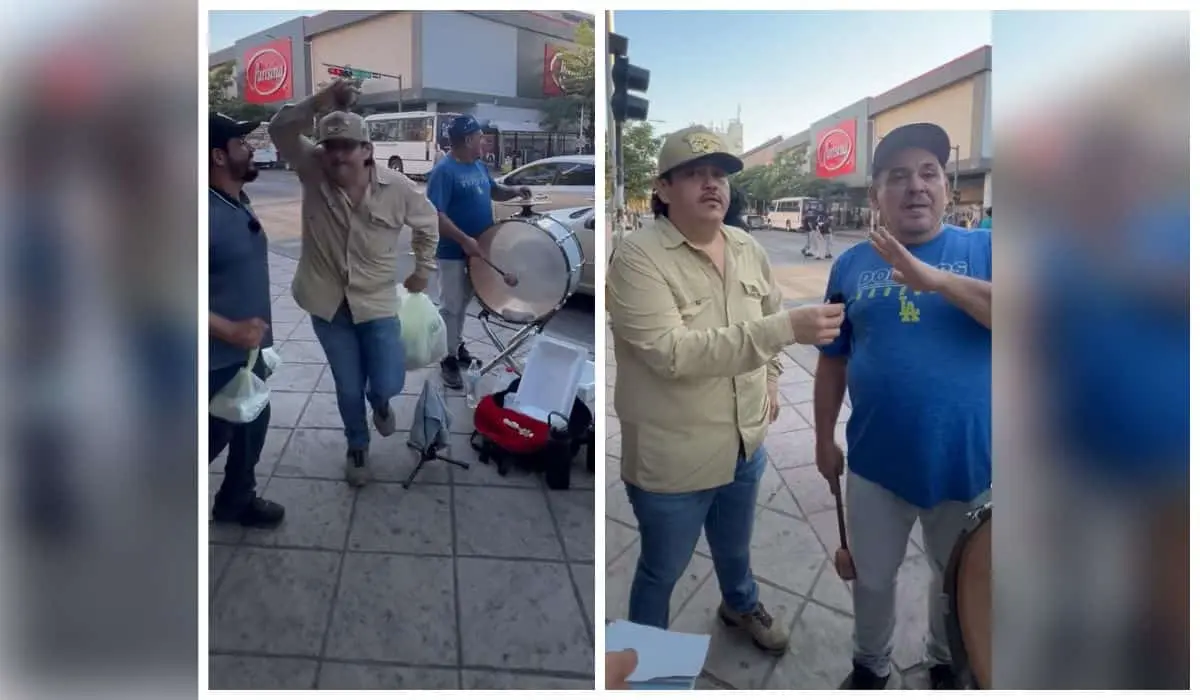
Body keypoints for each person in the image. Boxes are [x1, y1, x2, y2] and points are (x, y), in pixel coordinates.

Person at [609, 125, 846, 653]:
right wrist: (787, 328)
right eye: (695, 174)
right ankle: (649, 673)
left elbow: (764, 315)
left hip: (745, 441)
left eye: (719, 175)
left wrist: (773, 379)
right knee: (661, 570)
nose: (712, 184)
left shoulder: (745, 246)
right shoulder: (636, 258)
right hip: (675, 456)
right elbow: (672, 353)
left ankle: (739, 603)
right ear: (664, 189)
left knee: (735, 549)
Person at [812, 122, 992, 690]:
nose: (915, 186)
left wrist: (932, 279)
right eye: (897, 177)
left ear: (947, 186)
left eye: (928, 173)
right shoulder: (849, 267)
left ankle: (945, 659)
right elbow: (833, 359)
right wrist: (822, 438)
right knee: (870, 578)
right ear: (875, 197)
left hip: (970, 464)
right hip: (875, 464)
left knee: (958, 580)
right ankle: (871, 663)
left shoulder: (985, 248)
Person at [268, 78, 441, 487]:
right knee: (347, 386)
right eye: (330, 146)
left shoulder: (398, 189)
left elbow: (428, 224)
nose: (338, 154)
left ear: (368, 151)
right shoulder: (312, 170)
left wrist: (423, 268)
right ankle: (357, 445)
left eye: (348, 146)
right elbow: (279, 129)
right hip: (327, 303)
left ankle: (380, 403)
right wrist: (322, 100)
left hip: (377, 302)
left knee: (386, 380)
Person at [208, 113, 285, 528]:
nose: (251, 147)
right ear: (219, 155)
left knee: (251, 421)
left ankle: (237, 500)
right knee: (213, 435)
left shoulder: (235, 199)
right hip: (211, 358)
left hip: (245, 354)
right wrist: (230, 330)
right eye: (242, 142)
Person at [425, 115, 531, 390]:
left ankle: (456, 346)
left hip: (479, 249)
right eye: (480, 137)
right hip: (451, 251)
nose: (484, 142)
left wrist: (515, 190)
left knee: (463, 303)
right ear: (467, 140)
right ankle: (446, 358)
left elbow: (495, 191)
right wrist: (463, 239)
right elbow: (436, 215)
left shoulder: (478, 166)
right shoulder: (444, 171)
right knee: (450, 306)